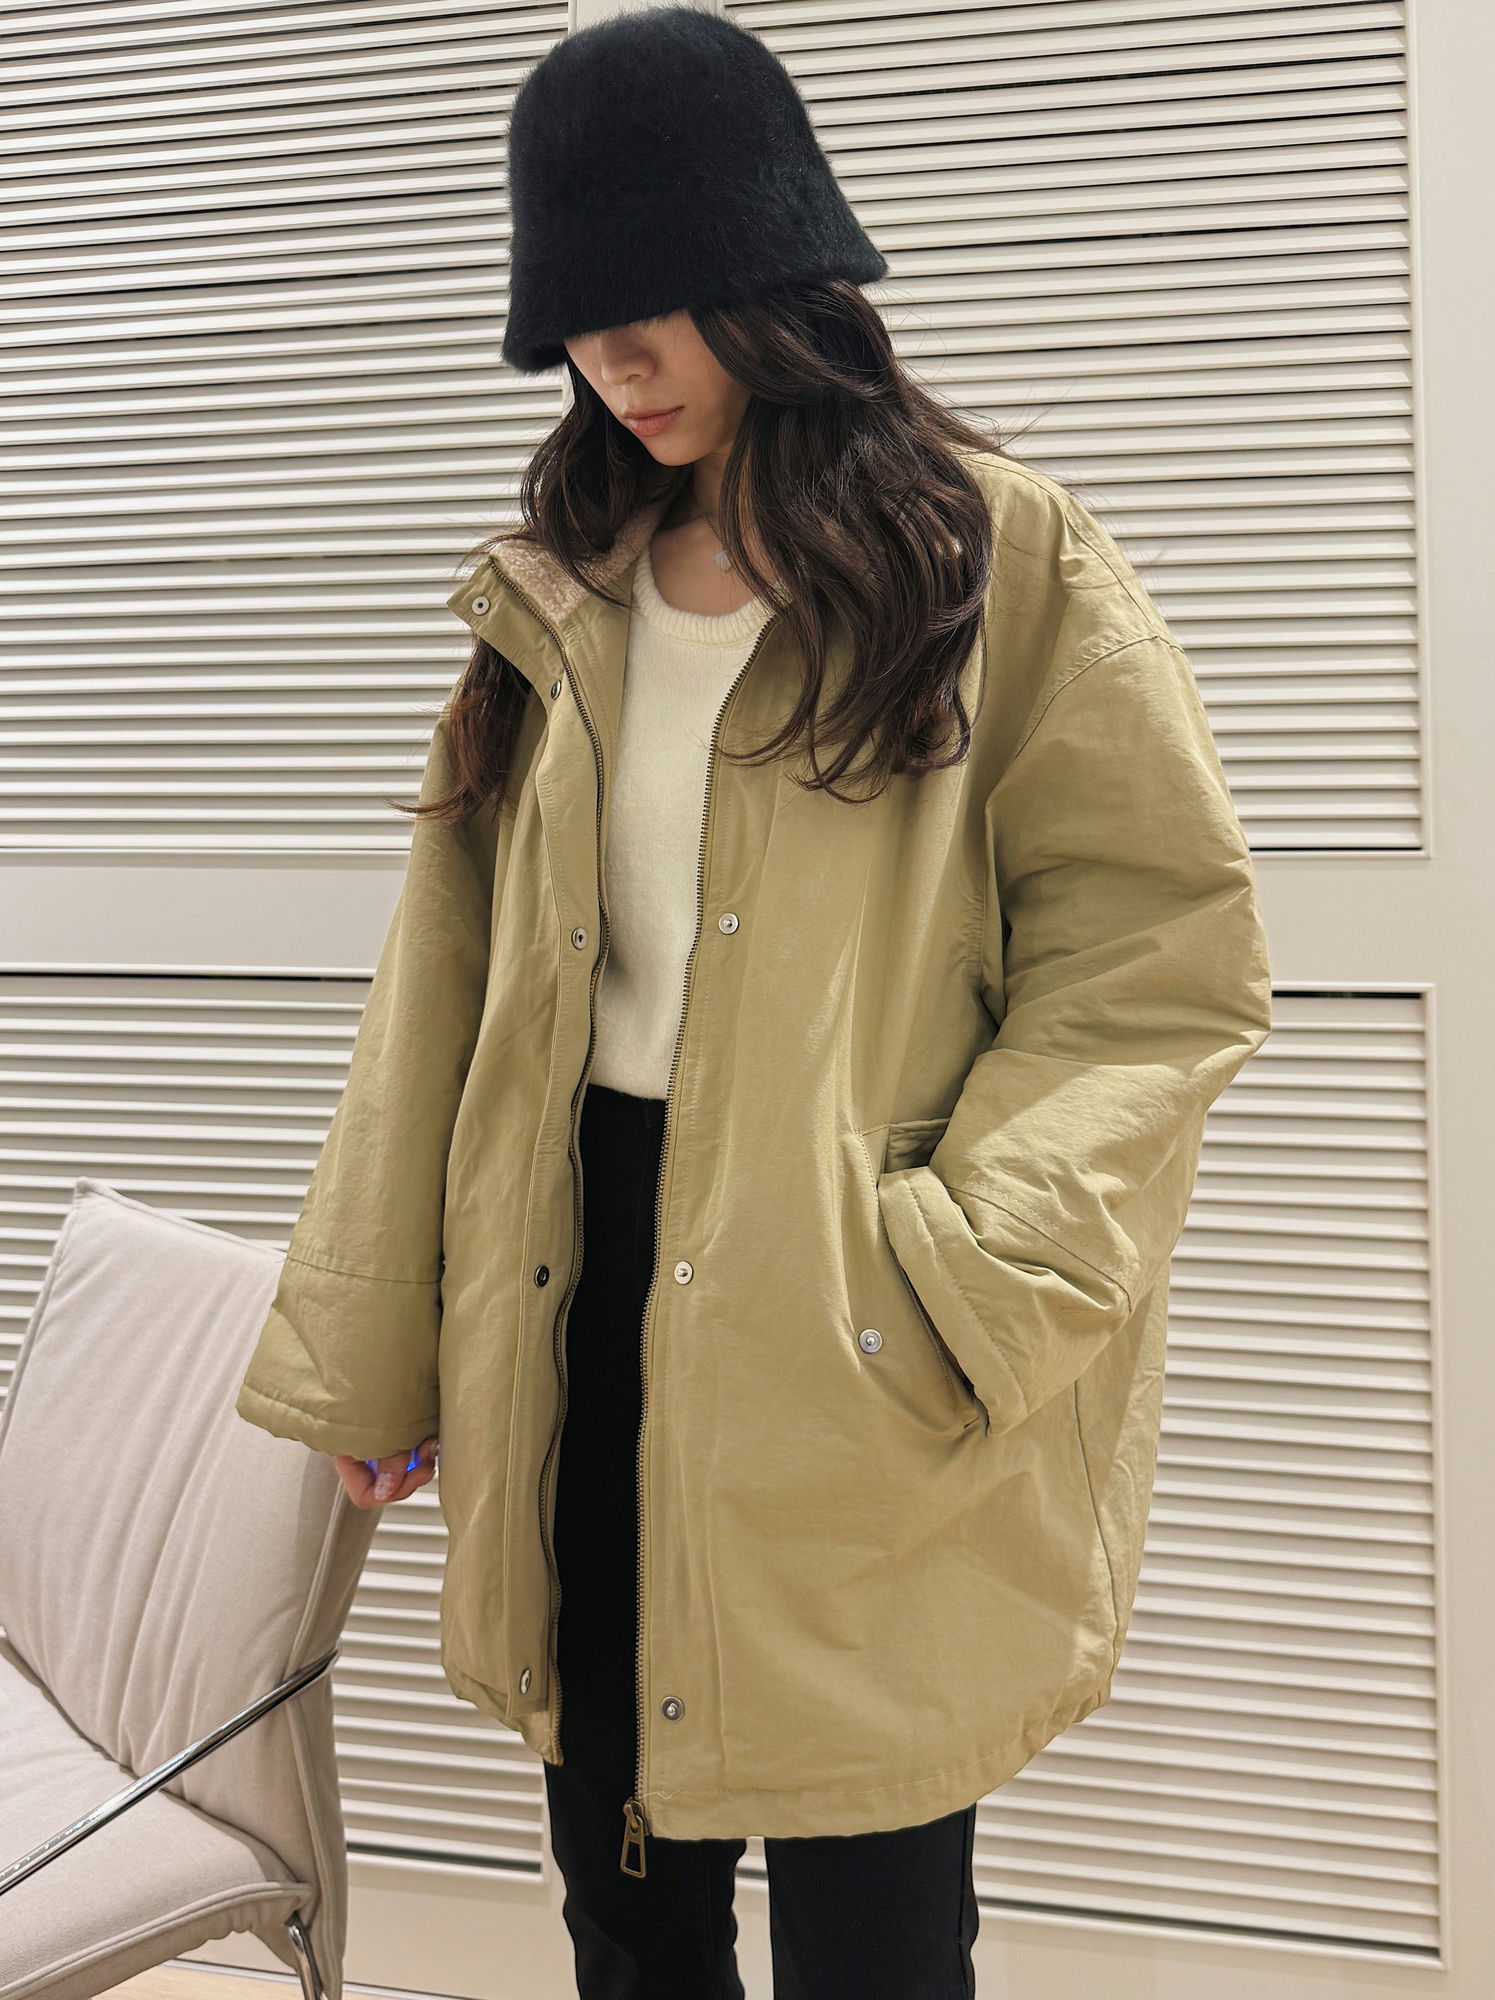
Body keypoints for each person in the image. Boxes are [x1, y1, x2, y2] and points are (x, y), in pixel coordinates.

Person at [235, 8, 1273, 1996]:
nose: (613, 370)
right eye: (576, 329)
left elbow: (1155, 956)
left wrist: (975, 1264)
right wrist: (385, 1349)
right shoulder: (565, 578)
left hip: (853, 1289)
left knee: (877, 1912)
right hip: (569, 1275)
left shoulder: (993, 559)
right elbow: (443, 974)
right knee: (624, 1890)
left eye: (650, 317)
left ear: (772, 279)